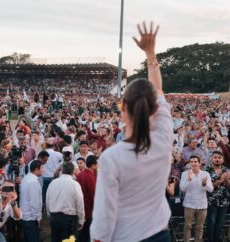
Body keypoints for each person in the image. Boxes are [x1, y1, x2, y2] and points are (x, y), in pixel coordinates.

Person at [91, 22, 174, 242]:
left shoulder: (112, 157)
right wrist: (151, 54)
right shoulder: (164, 139)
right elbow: (158, 90)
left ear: (123, 108)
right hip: (160, 232)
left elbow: (104, 215)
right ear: (155, 109)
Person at [46, 162, 85, 242]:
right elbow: (80, 203)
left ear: (62, 170)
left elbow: (47, 201)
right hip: (69, 220)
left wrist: (49, 215)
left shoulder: (53, 183)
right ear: (73, 171)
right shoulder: (75, 185)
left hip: (55, 217)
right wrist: (81, 220)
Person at [179, 155, 213, 242]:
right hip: (189, 204)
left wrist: (204, 184)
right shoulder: (185, 174)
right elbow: (182, 188)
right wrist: (188, 180)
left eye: (195, 162)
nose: (193, 163)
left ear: (199, 163)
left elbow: (211, 189)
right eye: (191, 162)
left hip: (202, 205)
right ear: (189, 163)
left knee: (199, 227)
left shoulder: (206, 174)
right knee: (188, 226)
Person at [205, 151, 230, 242]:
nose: (217, 159)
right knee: (211, 222)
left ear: (223, 160)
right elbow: (207, 186)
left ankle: (217, 239)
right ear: (211, 159)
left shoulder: (227, 171)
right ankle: (210, 239)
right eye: (215, 157)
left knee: (220, 223)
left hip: (224, 201)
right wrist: (221, 180)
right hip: (211, 201)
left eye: (219, 158)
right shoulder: (206, 170)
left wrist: (226, 180)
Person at [20, 160, 44, 242]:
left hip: (25, 215)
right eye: (42, 168)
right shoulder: (34, 182)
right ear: (37, 169)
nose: (43, 170)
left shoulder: (26, 178)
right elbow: (35, 203)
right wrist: (38, 218)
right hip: (31, 217)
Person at [76, 155, 98, 242]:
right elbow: (94, 195)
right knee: (87, 234)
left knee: (82, 233)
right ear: (93, 165)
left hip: (81, 208)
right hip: (89, 210)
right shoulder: (90, 176)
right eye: (97, 164)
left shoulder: (82, 174)